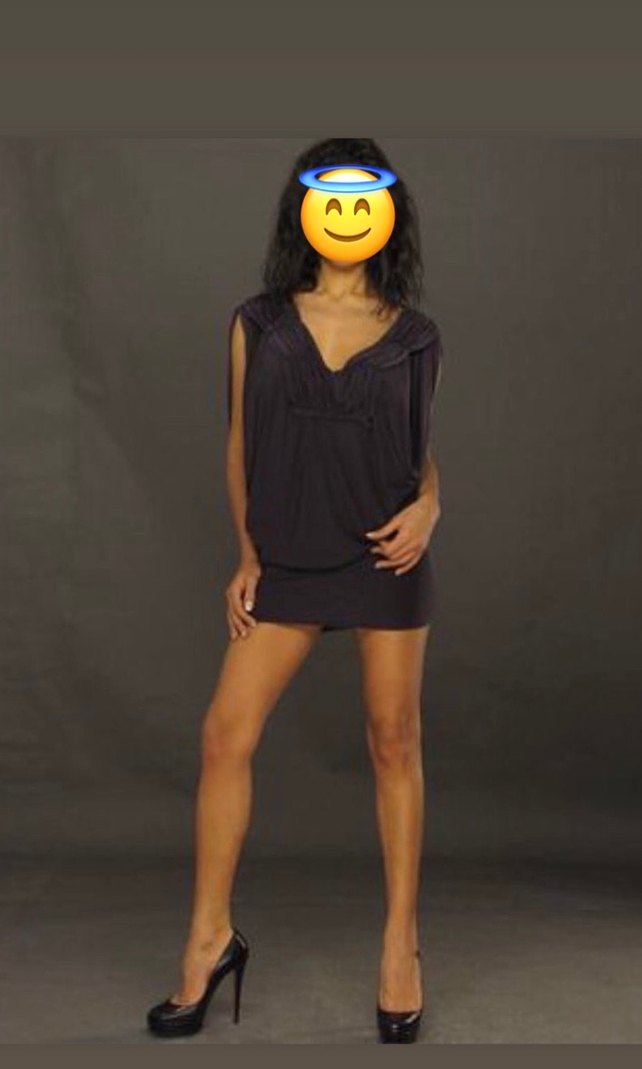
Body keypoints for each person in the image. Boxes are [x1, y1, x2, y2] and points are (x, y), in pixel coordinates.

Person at [147, 137, 444, 1044]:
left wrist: (431, 505)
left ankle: (400, 944)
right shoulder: (258, 323)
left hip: (385, 556)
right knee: (224, 735)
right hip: (289, 558)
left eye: (365, 198)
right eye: (331, 197)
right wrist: (247, 553)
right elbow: (240, 443)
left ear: (387, 214)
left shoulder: (416, 333)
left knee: (394, 740)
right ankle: (209, 939)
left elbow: (419, 452)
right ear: (303, 211)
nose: (347, 215)